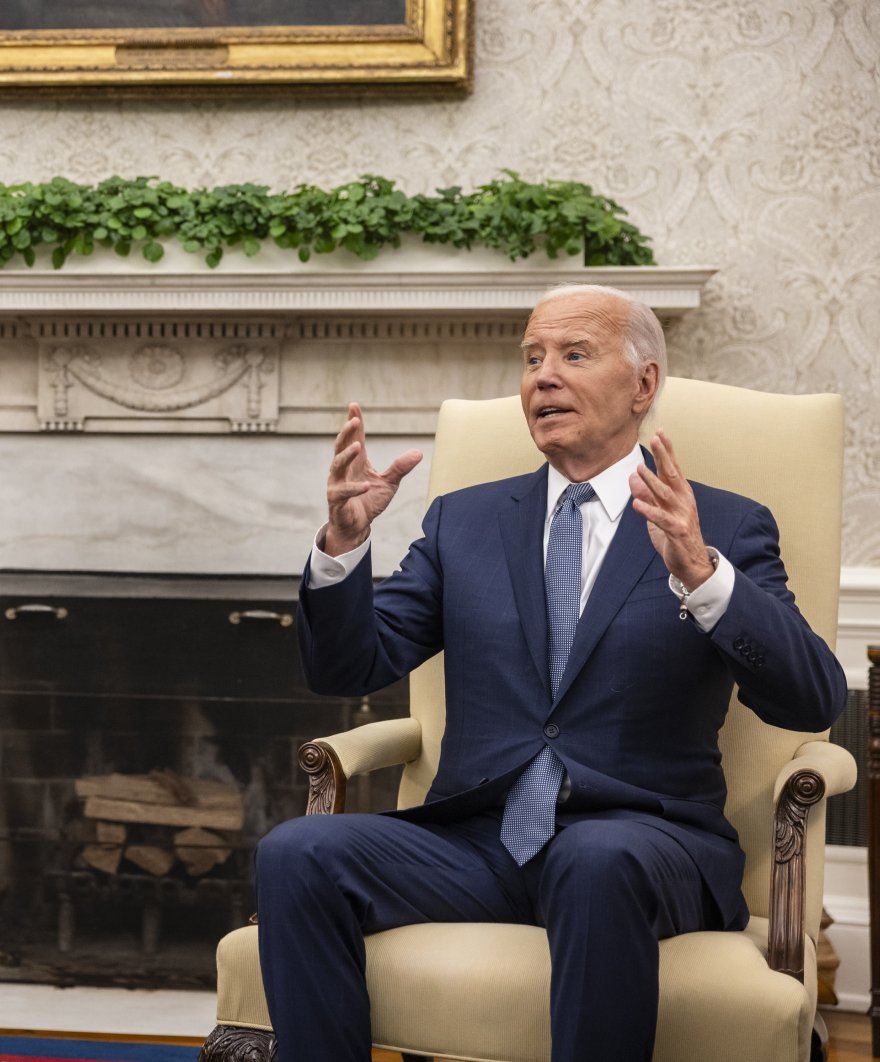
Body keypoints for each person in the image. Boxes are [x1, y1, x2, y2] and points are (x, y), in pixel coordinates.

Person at [255, 283, 847, 1062]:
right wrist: (342, 549)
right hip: (480, 847)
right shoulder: (464, 520)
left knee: (591, 858)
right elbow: (349, 666)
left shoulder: (722, 524)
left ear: (643, 385)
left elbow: (811, 699)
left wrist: (705, 576)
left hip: (645, 846)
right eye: (531, 357)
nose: (542, 376)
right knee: (297, 852)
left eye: (574, 354)